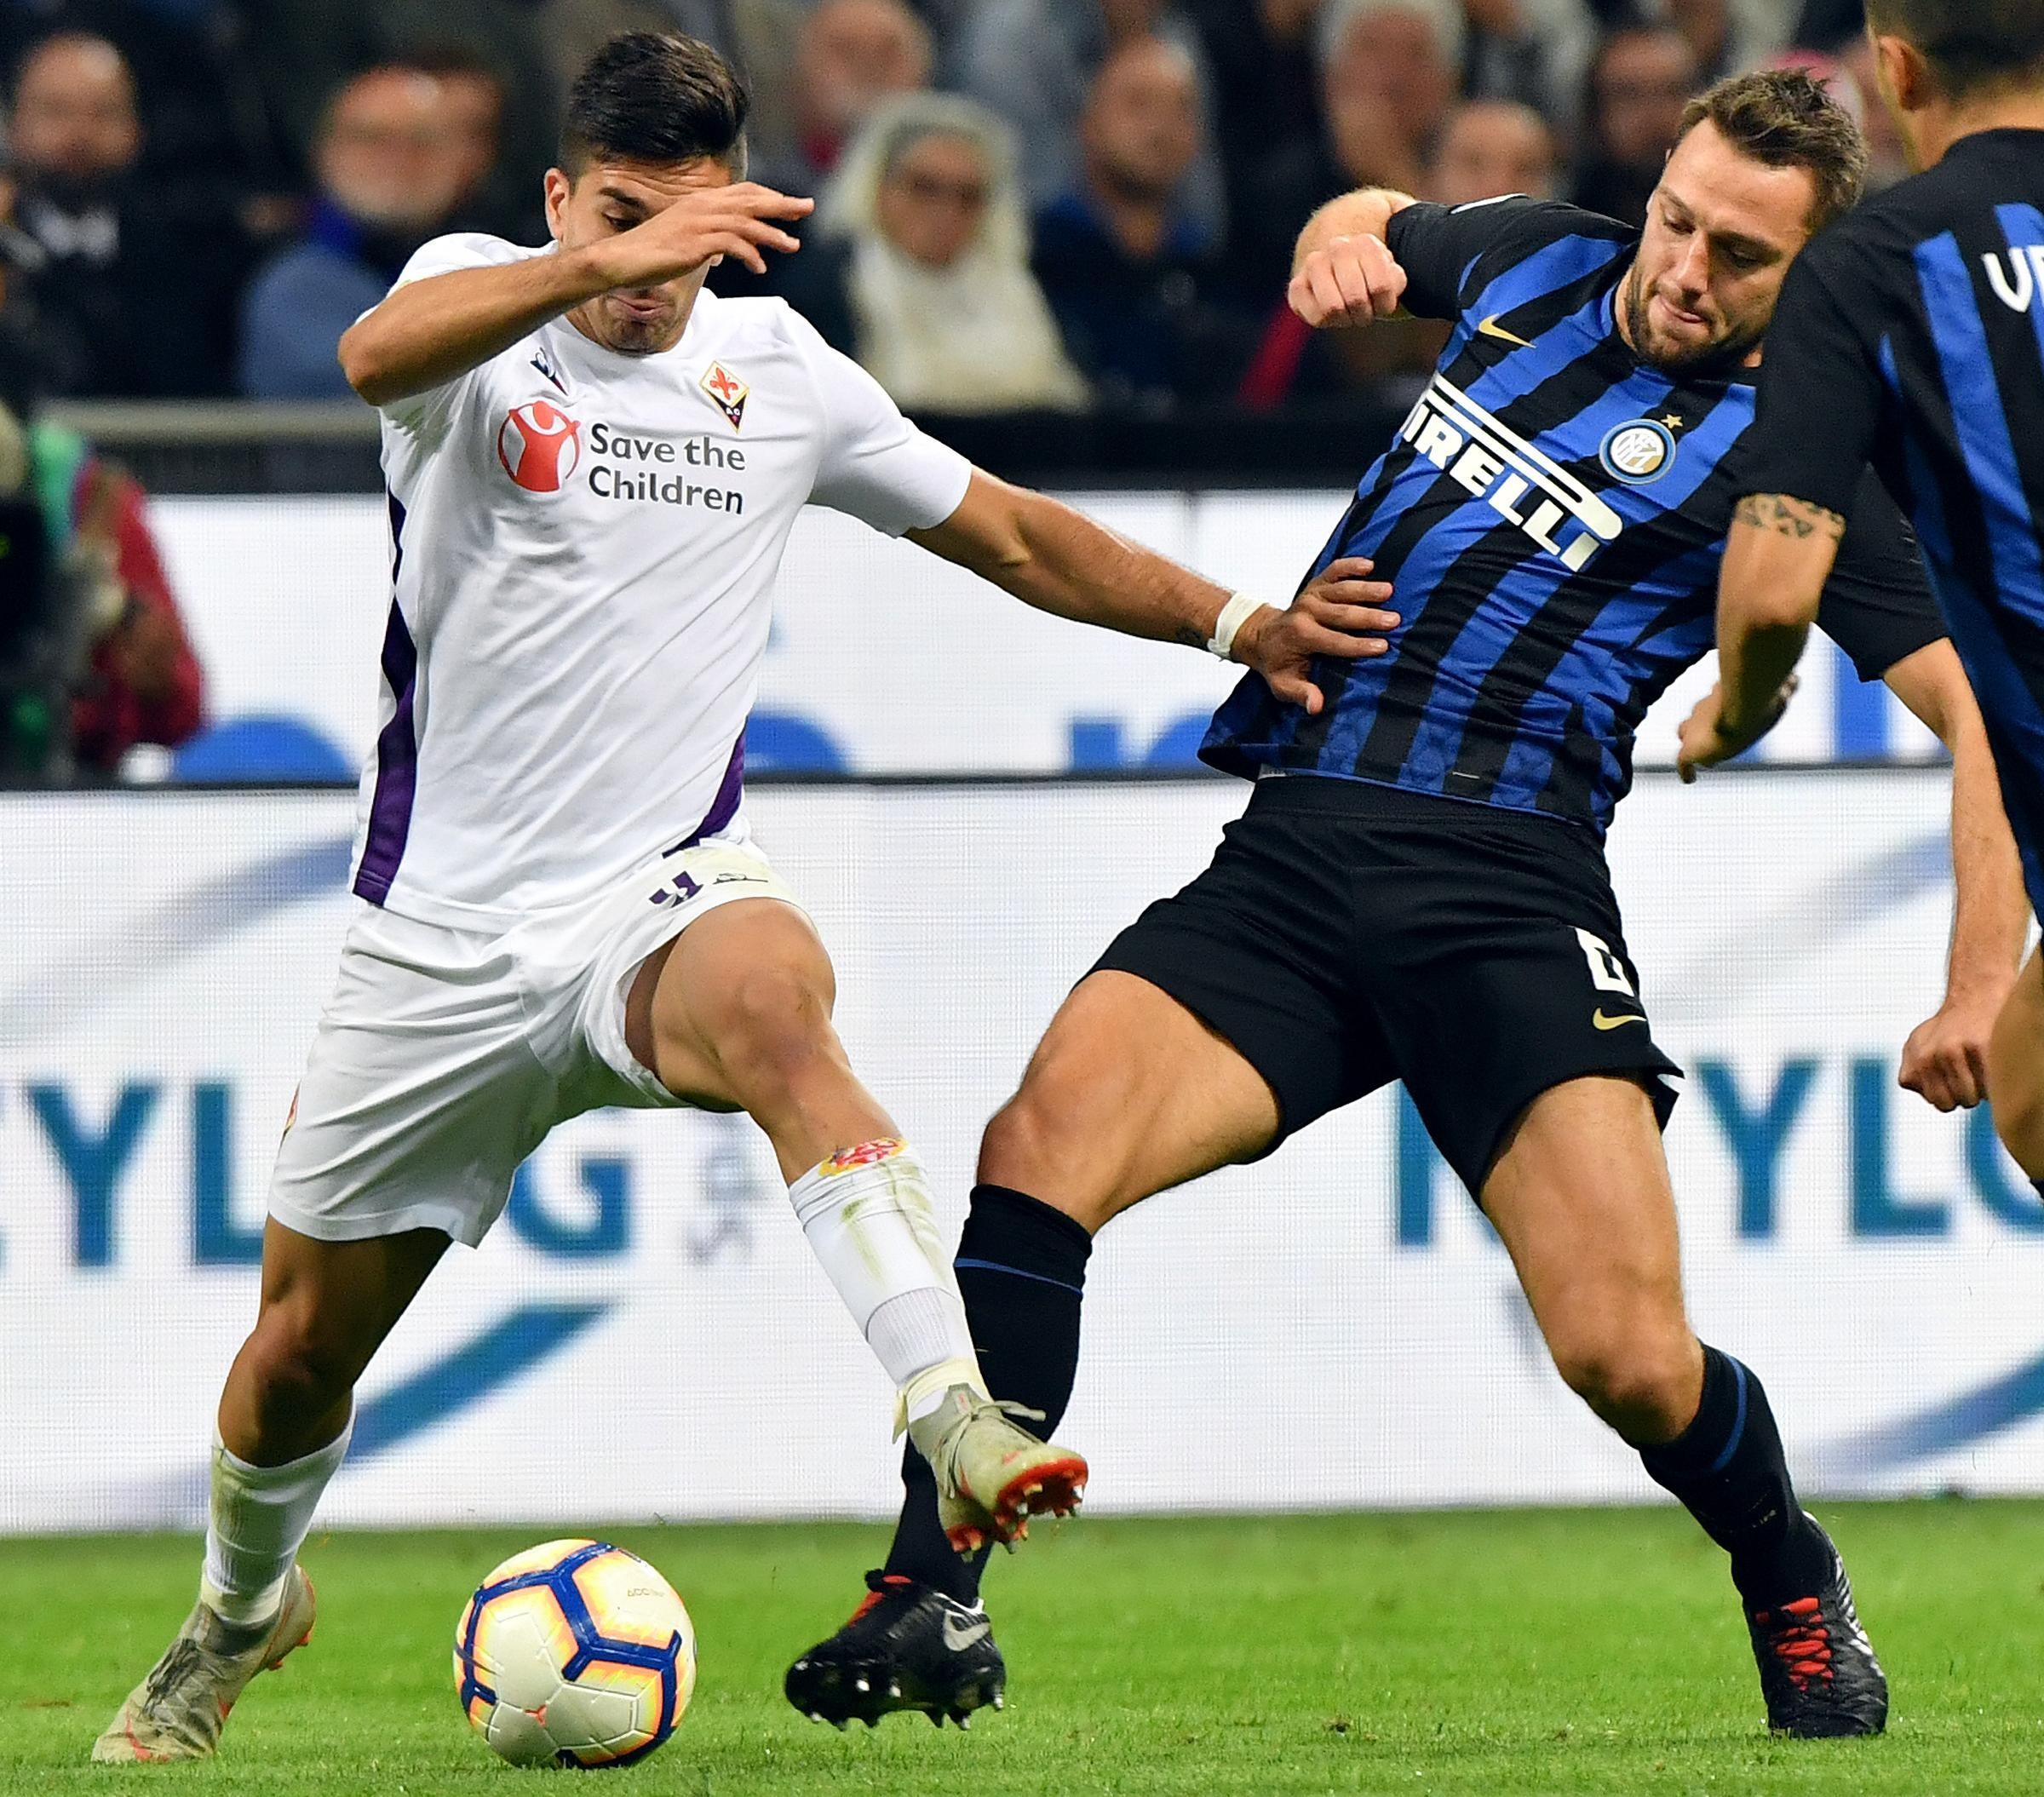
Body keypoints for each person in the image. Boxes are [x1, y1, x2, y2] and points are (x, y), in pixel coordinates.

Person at [90, 29, 1397, 1765]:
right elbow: (367, 355)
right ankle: (242, 1608)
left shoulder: (778, 372)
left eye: (687, 232)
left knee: (780, 1002)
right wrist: (592, 267)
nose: (653, 272)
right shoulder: (476, 300)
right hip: (442, 943)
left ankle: (954, 1408)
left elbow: (1011, 532)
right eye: (619, 219)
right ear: (560, 197)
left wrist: (1238, 621)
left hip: (661, 897)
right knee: (293, 1362)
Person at [786, 68, 2029, 1738]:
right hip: (1294, 859)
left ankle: (1786, 1561)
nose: (1682, 272)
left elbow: (1988, 722)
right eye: (1675, 221)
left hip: (1505, 899)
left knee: (1626, 1356)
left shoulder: (1810, 463)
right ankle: (931, 1586)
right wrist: (1337, 242)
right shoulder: (1538, 254)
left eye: (1739, 257)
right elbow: (1371, 220)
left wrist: (1979, 981)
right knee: (1038, 1149)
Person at [1694, 0, 2044, 1170]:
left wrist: (1736, 706)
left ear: (1895, 70)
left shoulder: (1870, 266)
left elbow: (1774, 587)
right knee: (2030, 1089)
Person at [793, 95, 1088, 412]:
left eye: (967, 196)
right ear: (878, 188)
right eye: (925, 187)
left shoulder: (1026, 292)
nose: (946, 211)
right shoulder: (827, 288)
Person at [3, 31, 229, 394]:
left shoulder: (191, 251)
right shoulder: (6, 250)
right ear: (14, 127)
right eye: (56, 111)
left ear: (136, 130)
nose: (80, 134)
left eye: (104, 113)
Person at [237, 66, 480, 398]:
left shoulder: (498, 264)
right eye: (371, 137)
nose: (397, 158)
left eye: (422, 140)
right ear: (324, 152)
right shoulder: (291, 286)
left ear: (466, 162)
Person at [1032, 36, 1249, 408]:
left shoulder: (1213, 269)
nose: (1161, 128)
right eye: (1138, 104)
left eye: (1182, 109)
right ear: (1088, 125)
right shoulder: (1037, 258)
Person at [1571, 26, 1699, 228]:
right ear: (1595, 114)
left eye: (1673, 92)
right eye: (1630, 95)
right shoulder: (1568, 227)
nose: (1656, 114)